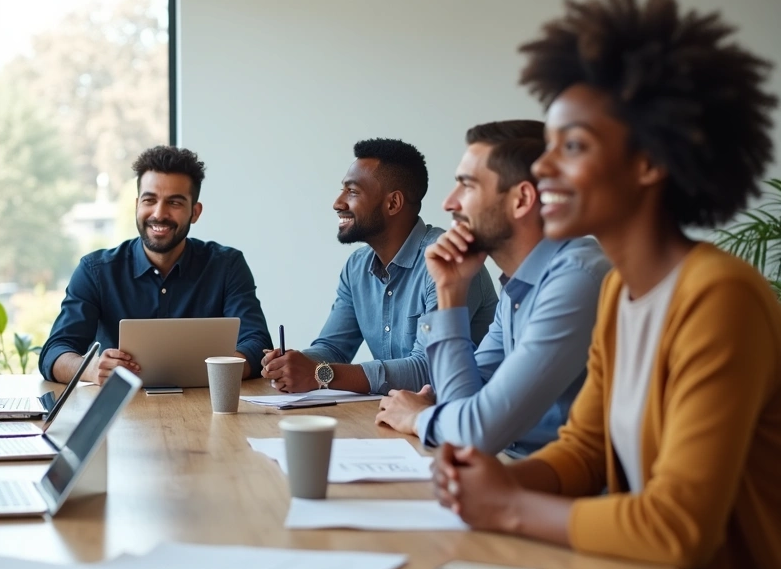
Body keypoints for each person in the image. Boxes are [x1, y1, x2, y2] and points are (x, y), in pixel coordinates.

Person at [432, 0, 781, 569]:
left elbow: (678, 526)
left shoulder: (719, 296)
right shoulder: (622, 290)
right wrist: (494, 480)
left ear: (647, 162)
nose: (544, 173)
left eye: (573, 148)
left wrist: (510, 507)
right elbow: (586, 451)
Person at [376, 121, 609, 458]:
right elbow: (467, 403)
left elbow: (475, 433)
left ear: (521, 200)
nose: (449, 203)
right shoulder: (519, 286)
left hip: (569, 497)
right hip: (511, 476)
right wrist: (451, 291)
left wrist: (420, 416)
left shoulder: (576, 280)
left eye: (466, 186)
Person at [260, 139, 497, 395]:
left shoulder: (446, 261)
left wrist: (319, 374)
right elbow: (334, 348)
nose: (337, 202)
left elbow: (427, 371)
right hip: (397, 418)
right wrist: (292, 364)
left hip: (460, 421)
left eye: (352, 191)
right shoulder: (357, 266)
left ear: (393, 203)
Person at [39, 145, 273, 385]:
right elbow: (55, 352)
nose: (159, 214)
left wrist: (219, 371)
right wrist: (91, 369)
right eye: (150, 200)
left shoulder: (227, 266)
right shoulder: (95, 270)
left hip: (207, 408)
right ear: (137, 204)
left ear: (195, 212)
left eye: (175, 203)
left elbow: (257, 343)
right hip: (119, 414)